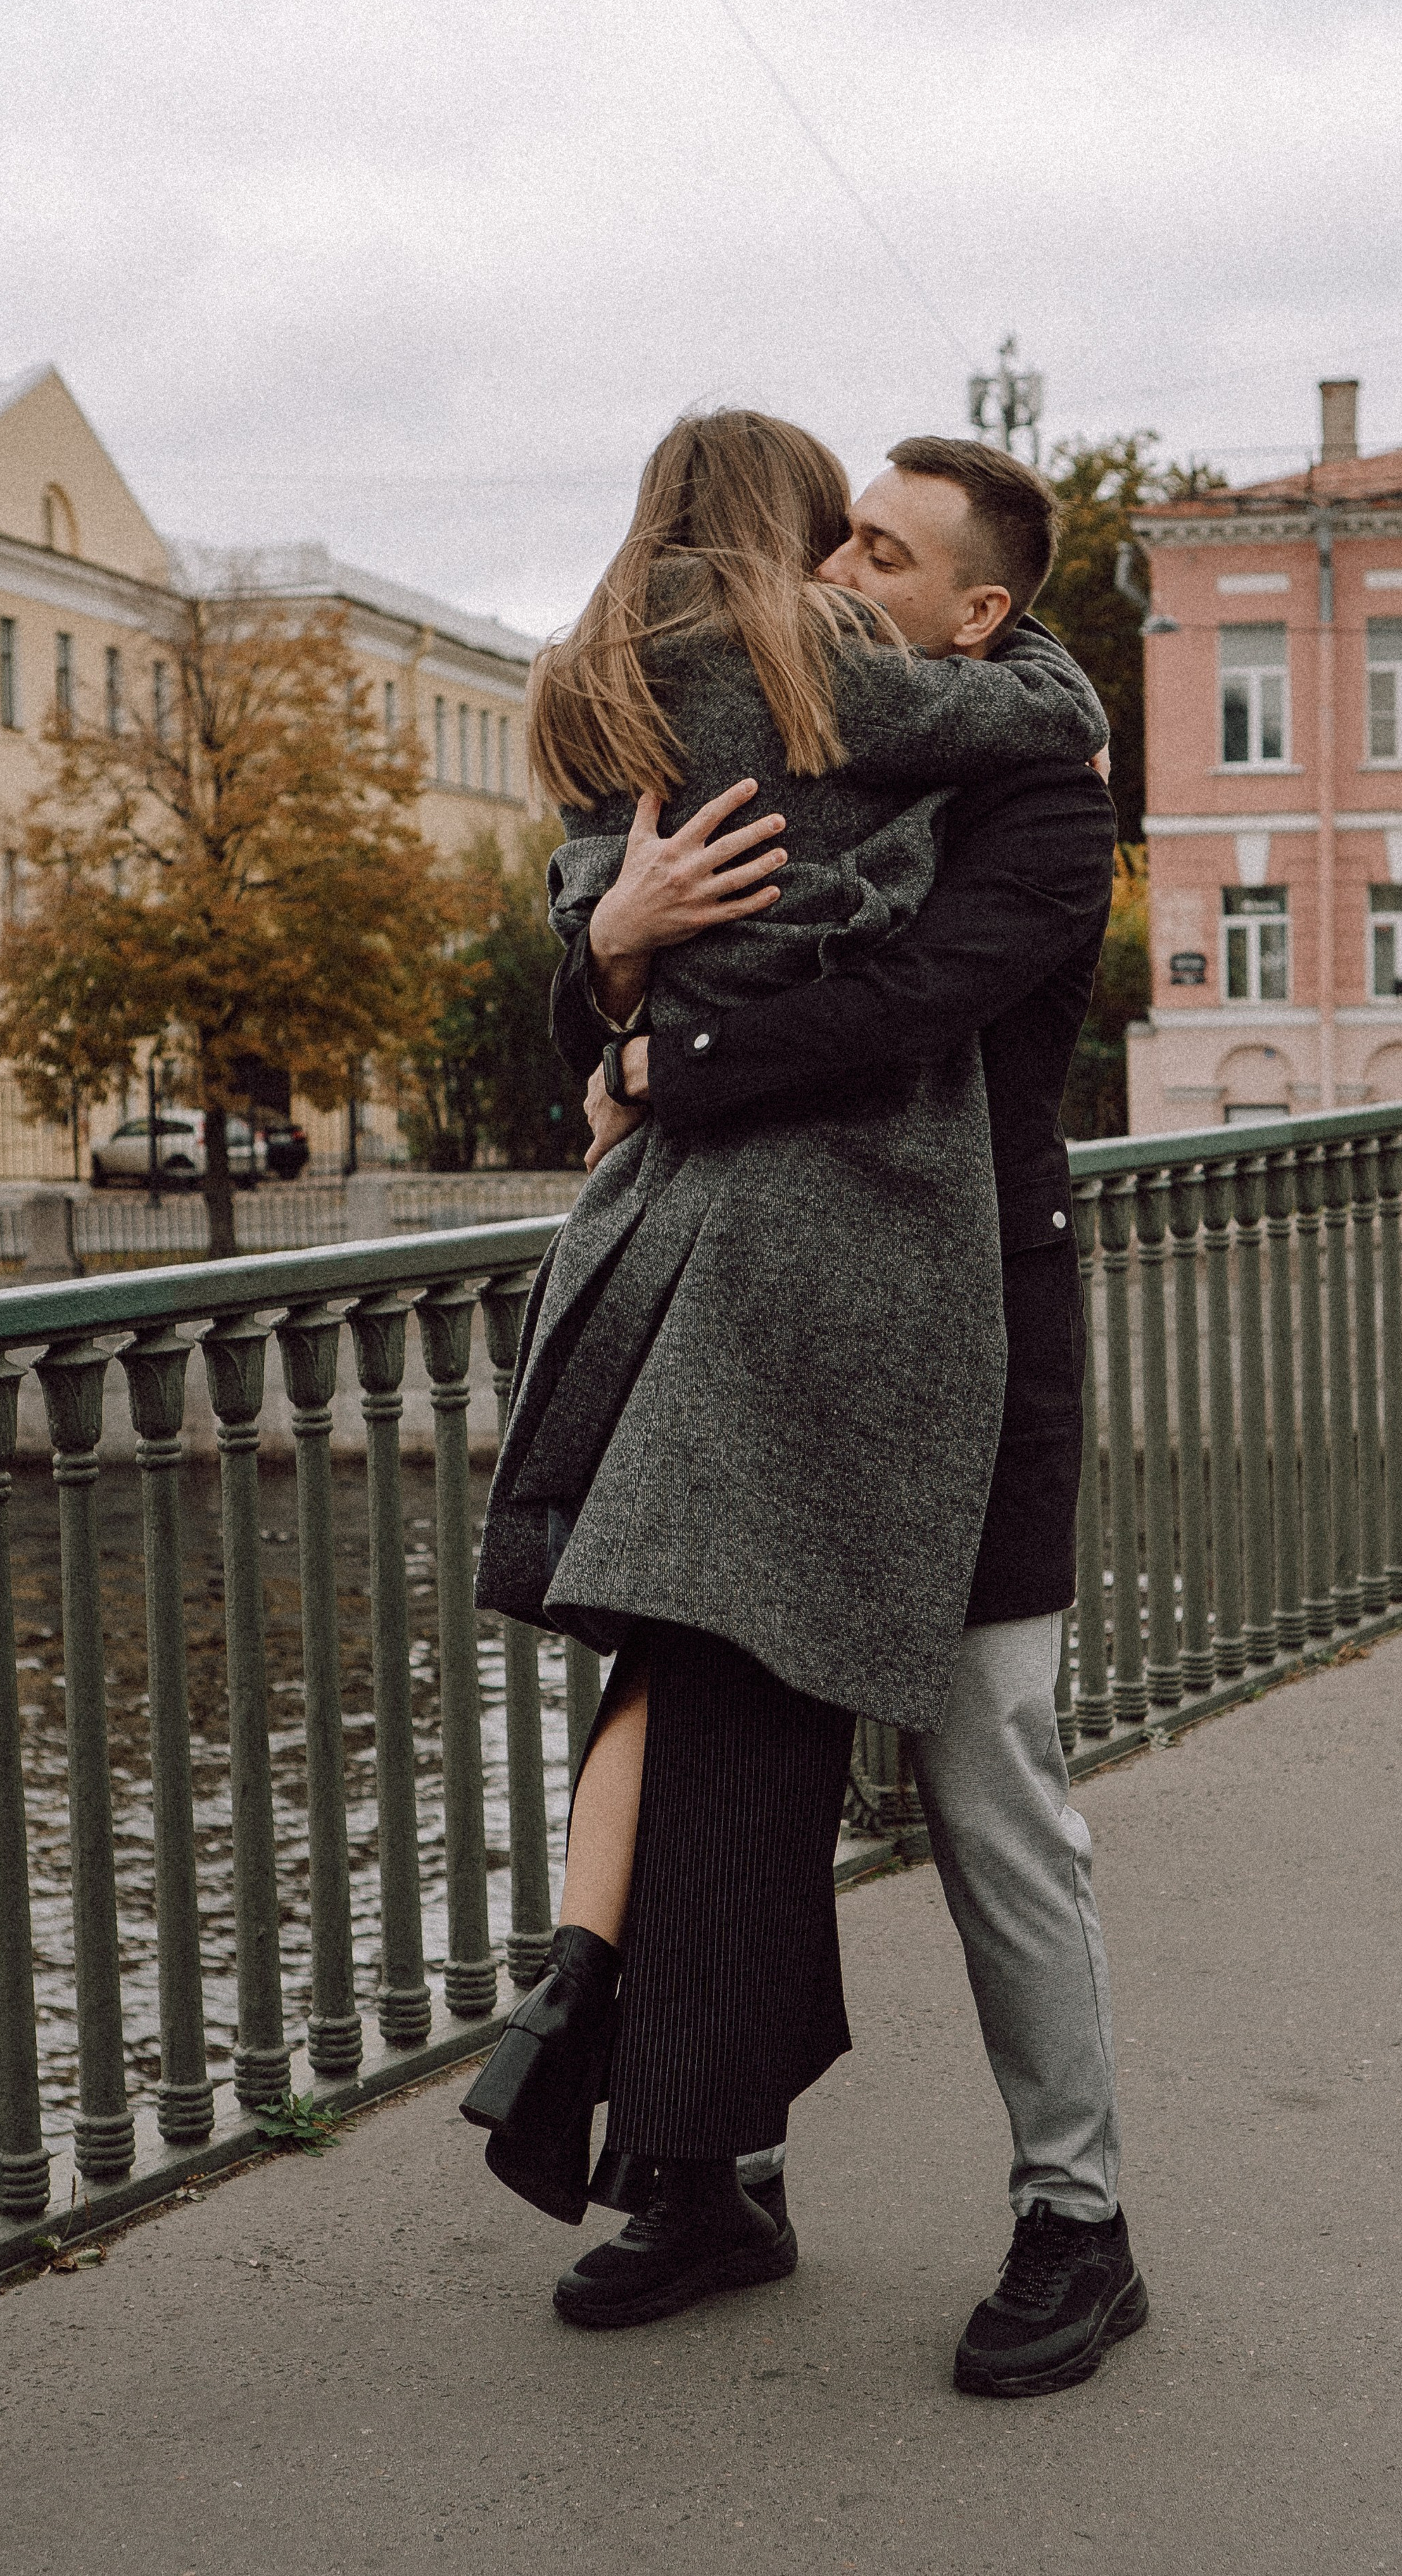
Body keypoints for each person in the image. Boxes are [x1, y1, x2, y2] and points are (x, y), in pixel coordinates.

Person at [462, 408, 1111, 2342]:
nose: (832, 578)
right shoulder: (814, 709)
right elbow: (625, 910)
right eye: (833, 543)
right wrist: (612, 955)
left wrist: (663, 1055)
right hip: (754, 1328)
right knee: (719, 1747)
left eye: (880, 555)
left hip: (973, 1334)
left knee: (992, 1780)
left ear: (982, 611)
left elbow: (908, 1003)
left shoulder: (1046, 788)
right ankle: (706, 2175)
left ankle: (1079, 2217)